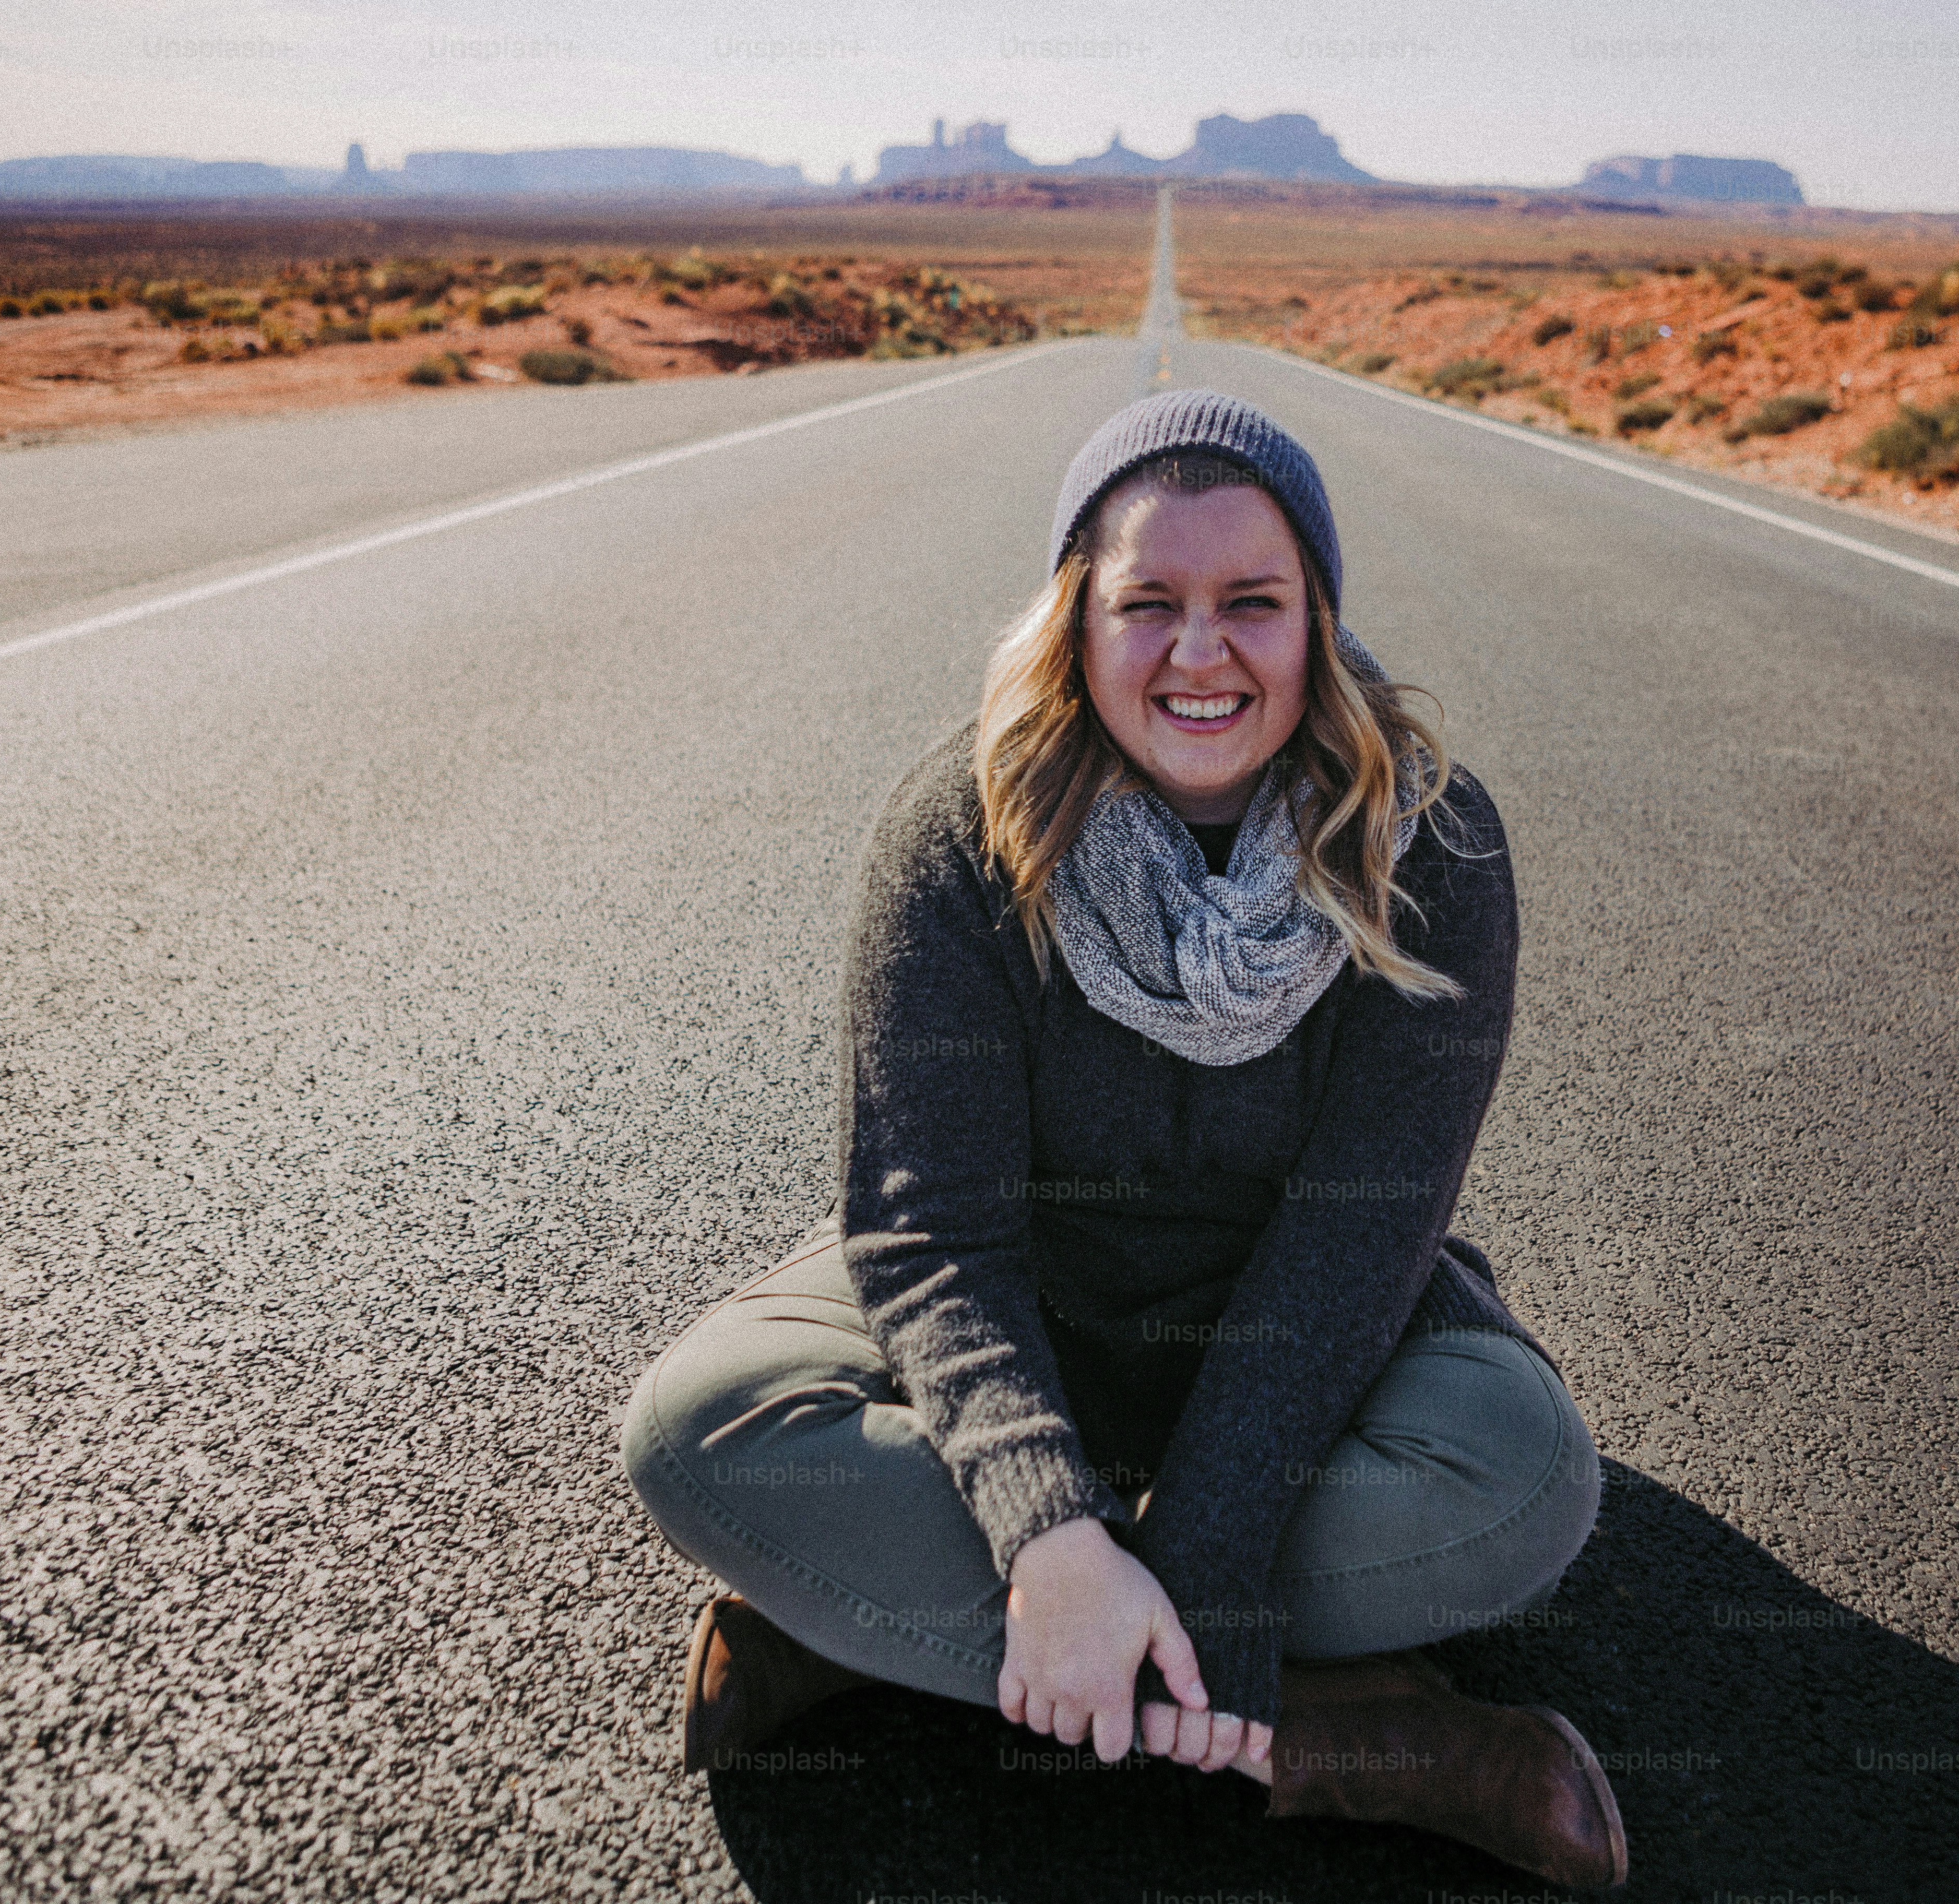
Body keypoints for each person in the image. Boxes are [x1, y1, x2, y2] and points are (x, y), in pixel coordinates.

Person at [620, 389, 1625, 1887]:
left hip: (1313, 1339)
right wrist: (1044, 1528)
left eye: (1253, 604)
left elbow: (1359, 1236)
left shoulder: (1435, 846)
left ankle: (874, 1638)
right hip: (1023, 1305)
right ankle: (1343, 1737)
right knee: (696, 1436)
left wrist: (1211, 1552)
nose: (1199, 650)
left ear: (1320, 627)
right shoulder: (961, 837)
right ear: (1076, 626)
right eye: (1146, 602)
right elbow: (933, 1229)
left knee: (1527, 1482)